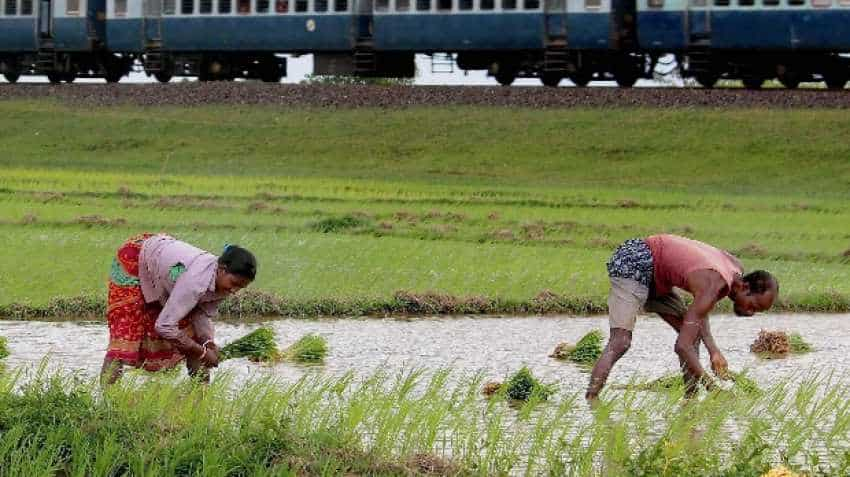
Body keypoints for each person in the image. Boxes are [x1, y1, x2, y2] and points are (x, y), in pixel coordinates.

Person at [586, 234, 778, 401]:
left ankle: (690, 400)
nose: (750, 313)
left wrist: (714, 351)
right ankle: (592, 399)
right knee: (621, 341)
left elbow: (700, 312)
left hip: (658, 275)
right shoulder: (713, 284)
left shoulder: (734, 269)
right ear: (745, 287)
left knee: (693, 336)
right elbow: (681, 346)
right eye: (753, 306)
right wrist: (713, 388)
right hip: (635, 260)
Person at [101, 233, 256, 384]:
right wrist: (201, 353)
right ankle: (107, 401)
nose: (235, 291)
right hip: (136, 258)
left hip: (165, 271)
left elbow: (200, 313)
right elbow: (164, 326)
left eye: (241, 287)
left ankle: (199, 398)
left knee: (192, 335)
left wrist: (208, 343)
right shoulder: (195, 282)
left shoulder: (222, 284)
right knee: (125, 335)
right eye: (234, 283)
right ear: (222, 269)